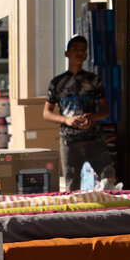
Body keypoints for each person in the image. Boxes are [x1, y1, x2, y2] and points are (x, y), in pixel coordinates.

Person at [42, 36, 112, 191]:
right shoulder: (57, 82)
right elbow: (46, 113)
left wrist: (91, 117)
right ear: (67, 53)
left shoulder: (94, 80)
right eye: (75, 49)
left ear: (86, 55)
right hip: (69, 141)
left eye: (83, 50)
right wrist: (66, 120)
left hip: (94, 139)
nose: (79, 52)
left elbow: (105, 110)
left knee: (108, 177)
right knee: (71, 186)